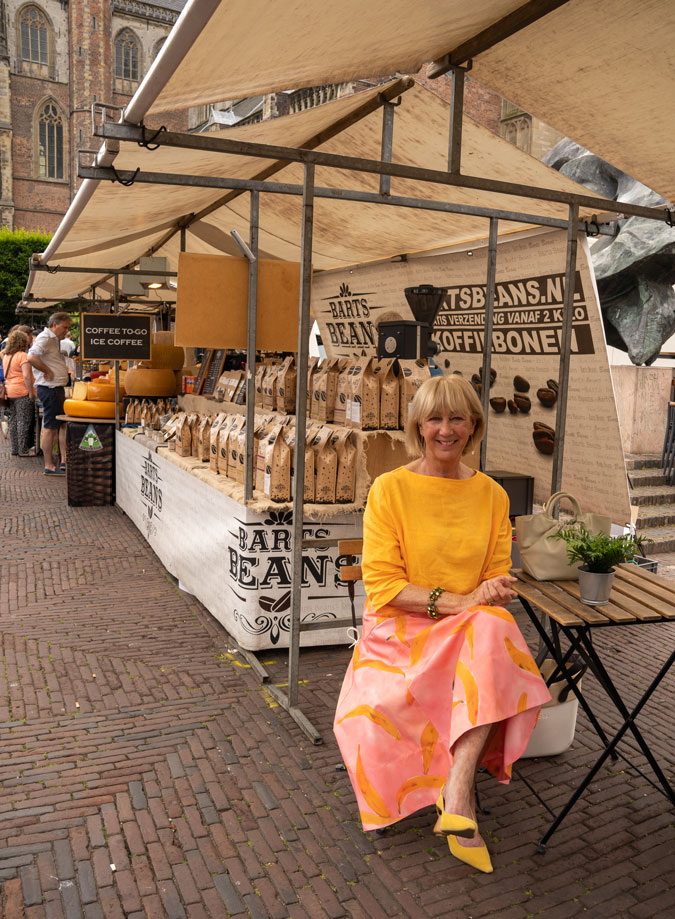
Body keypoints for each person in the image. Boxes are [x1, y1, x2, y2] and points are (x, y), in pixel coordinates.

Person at [334, 374, 551, 873]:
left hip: (466, 625)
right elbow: (384, 587)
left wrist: (488, 592)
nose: (446, 429)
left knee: (495, 628)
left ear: (473, 425)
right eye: (435, 418)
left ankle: (457, 791)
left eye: (457, 418)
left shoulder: (494, 496)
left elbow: (496, 576)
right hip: (399, 631)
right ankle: (457, 795)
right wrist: (467, 599)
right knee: (491, 632)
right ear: (417, 425)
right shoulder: (390, 489)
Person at [28, 311, 71, 475]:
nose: (66, 331)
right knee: (50, 427)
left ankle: (57, 463)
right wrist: (47, 370)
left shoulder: (53, 339)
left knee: (57, 425)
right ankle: (49, 465)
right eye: (64, 327)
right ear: (55, 324)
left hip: (54, 388)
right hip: (49, 388)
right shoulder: (45, 338)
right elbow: (31, 357)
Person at [1, 329, 36, 456]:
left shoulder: (6, 356)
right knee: (24, 421)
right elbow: (26, 376)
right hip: (22, 391)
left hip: (10, 391)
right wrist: (31, 392)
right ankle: (23, 450)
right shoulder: (22, 356)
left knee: (14, 420)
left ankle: (15, 449)